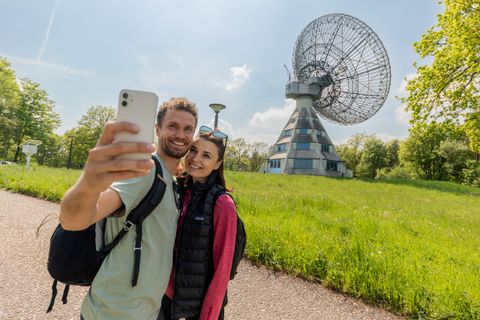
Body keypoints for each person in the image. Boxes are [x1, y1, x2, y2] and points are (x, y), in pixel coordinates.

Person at [59, 97, 198, 320]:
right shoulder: (145, 170)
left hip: (144, 312)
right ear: (157, 128)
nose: (181, 135)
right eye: (173, 126)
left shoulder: (172, 181)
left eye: (188, 129)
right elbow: (74, 220)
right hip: (113, 312)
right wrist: (88, 182)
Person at [158, 125, 238, 320]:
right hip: (165, 296)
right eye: (193, 150)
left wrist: (209, 315)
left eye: (206, 155)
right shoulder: (178, 191)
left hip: (199, 305)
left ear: (218, 164)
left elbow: (222, 270)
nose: (195, 159)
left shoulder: (222, 204)